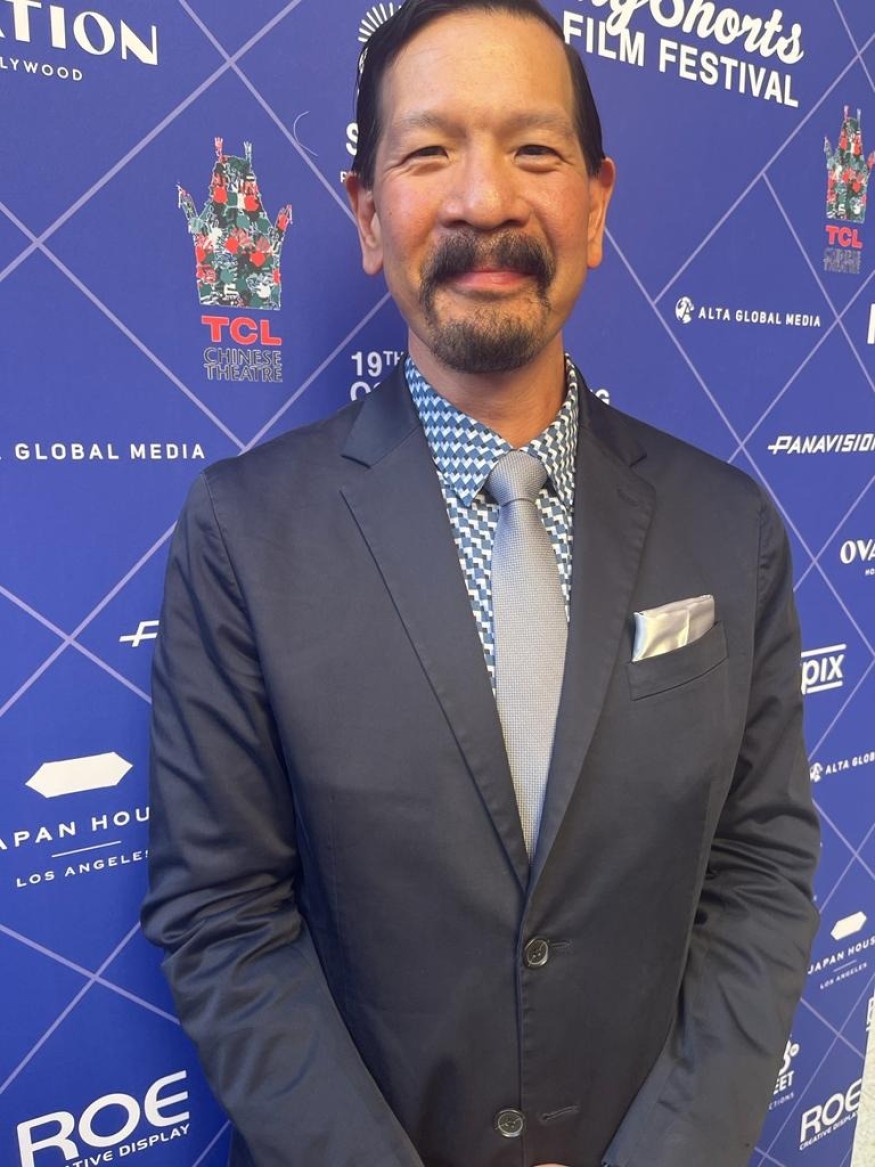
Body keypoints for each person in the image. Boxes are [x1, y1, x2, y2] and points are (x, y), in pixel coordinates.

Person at [141, 2, 820, 1165]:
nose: (482, 200)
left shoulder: (729, 526)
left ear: (594, 206)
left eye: (533, 149)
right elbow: (221, 915)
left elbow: (760, 867)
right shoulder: (244, 533)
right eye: (426, 152)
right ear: (368, 215)